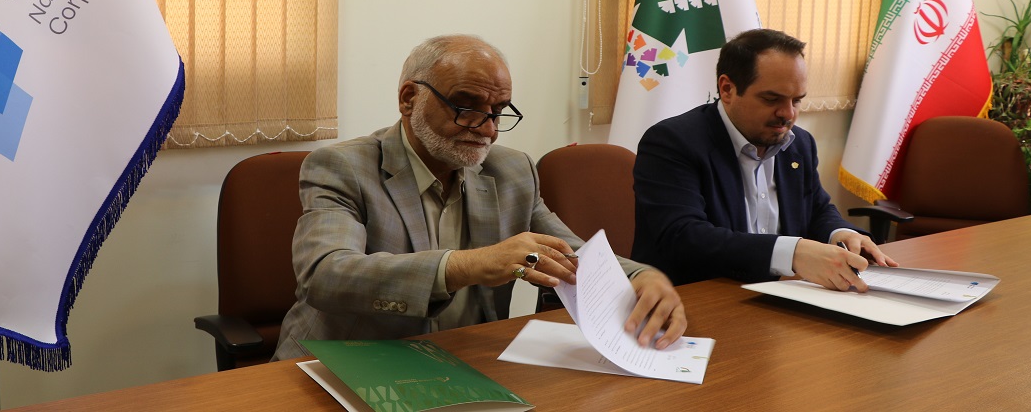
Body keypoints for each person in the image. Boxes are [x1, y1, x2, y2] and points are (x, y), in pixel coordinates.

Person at [273, 35, 686, 360]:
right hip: (352, 360)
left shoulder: (512, 170)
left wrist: (640, 276)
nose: (487, 129)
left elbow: (570, 253)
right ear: (409, 98)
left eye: (498, 111)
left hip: (464, 360)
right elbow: (325, 274)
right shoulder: (343, 166)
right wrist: (468, 264)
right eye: (466, 107)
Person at [630, 28, 898, 289]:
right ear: (727, 89)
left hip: (782, 293)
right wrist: (792, 253)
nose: (788, 114)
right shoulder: (672, 142)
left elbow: (816, 208)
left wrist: (841, 233)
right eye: (772, 99)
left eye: (797, 100)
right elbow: (684, 237)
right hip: (698, 296)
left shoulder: (799, 143)